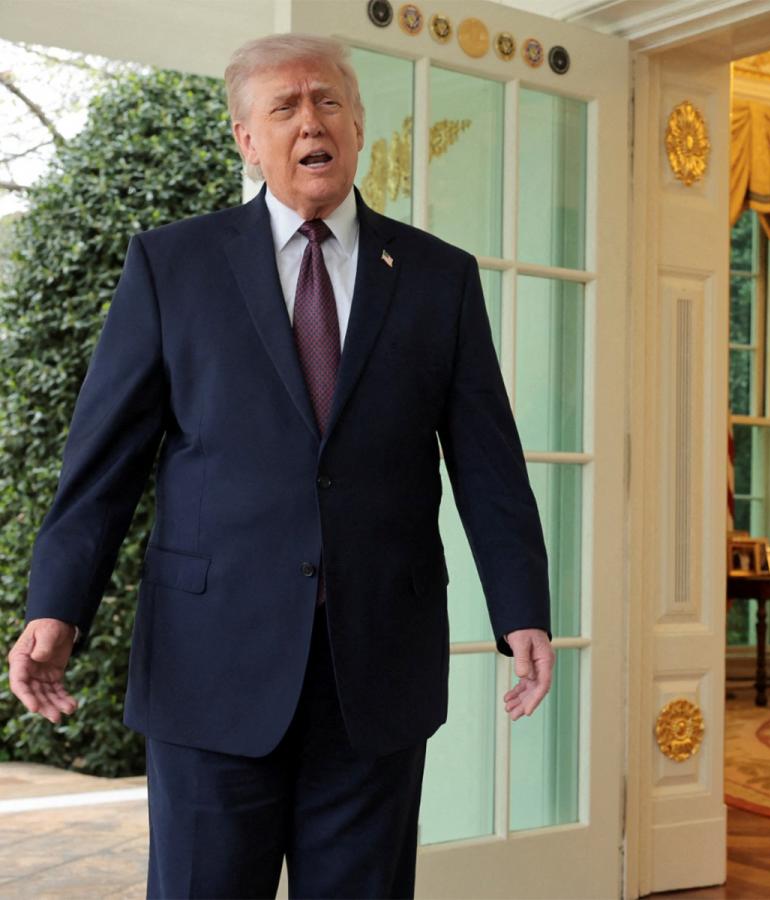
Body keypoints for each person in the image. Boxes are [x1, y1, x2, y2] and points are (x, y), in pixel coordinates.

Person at [5, 33, 555, 899]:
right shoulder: (171, 265)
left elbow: (488, 460)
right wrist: (57, 606)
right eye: (285, 106)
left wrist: (521, 607)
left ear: (358, 126)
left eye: (328, 101)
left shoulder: (438, 277)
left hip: (375, 669)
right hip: (209, 667)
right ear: (246, 140)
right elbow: (104, 461)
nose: (311, 121)